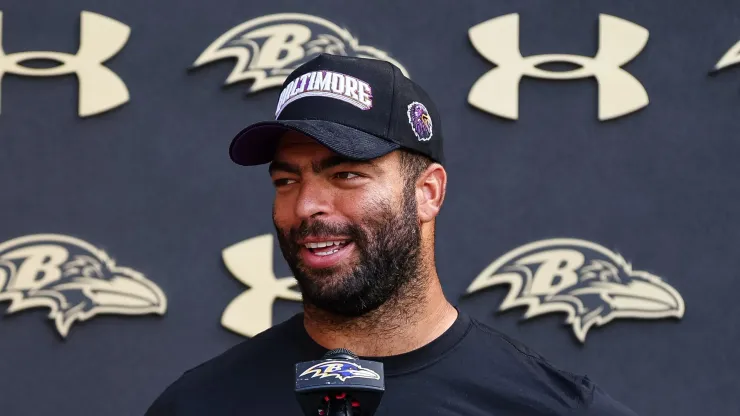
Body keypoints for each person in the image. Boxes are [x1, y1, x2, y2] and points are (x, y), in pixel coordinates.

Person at [144, 54, 638, 415]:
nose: (306, 206)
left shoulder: (552, 408)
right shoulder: (199, 405)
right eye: (286, 180)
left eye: (346, 175)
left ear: (427, 192)